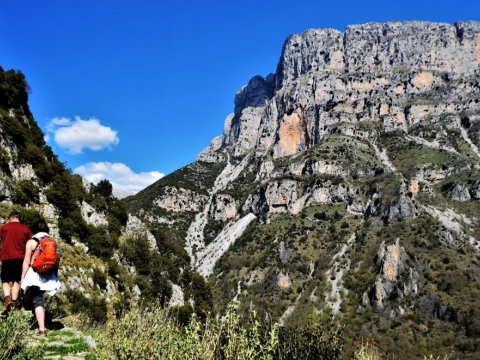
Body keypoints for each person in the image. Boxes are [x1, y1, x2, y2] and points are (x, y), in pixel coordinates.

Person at [21, 221, 61, 334]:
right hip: (48, 276)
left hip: (34, 275)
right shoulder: (53, 242)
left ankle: (42, 329)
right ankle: (37, 321)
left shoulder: (32, 242)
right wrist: (55, 276)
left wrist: (23, 278)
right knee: (36, 299)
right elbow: (57, 261)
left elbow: (27, 261)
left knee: (37, 300)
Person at [0, 210, 32, 310]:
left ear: (10, 218)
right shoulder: (26, 229)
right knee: (16, 281)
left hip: (6, 257)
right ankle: (14, 302)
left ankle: (7, 298)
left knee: (5, 280)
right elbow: (30, 244)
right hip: (20, 258)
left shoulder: (4, 227)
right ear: (19, 218)